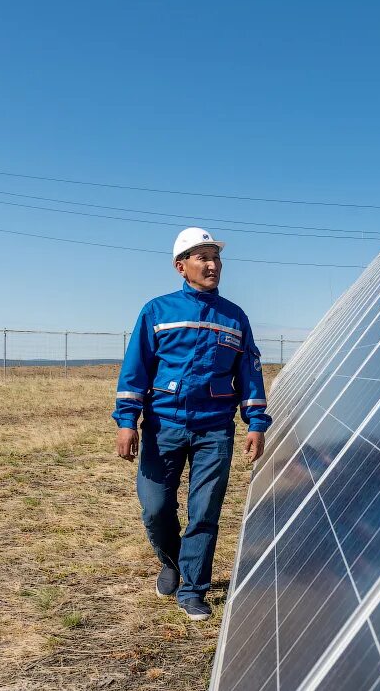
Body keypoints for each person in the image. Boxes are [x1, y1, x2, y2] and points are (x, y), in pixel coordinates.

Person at [112, 227, 271, 621]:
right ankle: (171, 561)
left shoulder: (235, 317)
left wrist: (255, 423)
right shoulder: (157, 311)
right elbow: (135, 369)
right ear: (181, 267)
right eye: (202, 258)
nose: (212, 265)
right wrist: (127, 421)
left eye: (216, 258)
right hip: (163, 425)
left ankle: (193, 589)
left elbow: (249, 375)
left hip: (214, 429)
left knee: (204, 512)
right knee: (155, 507)